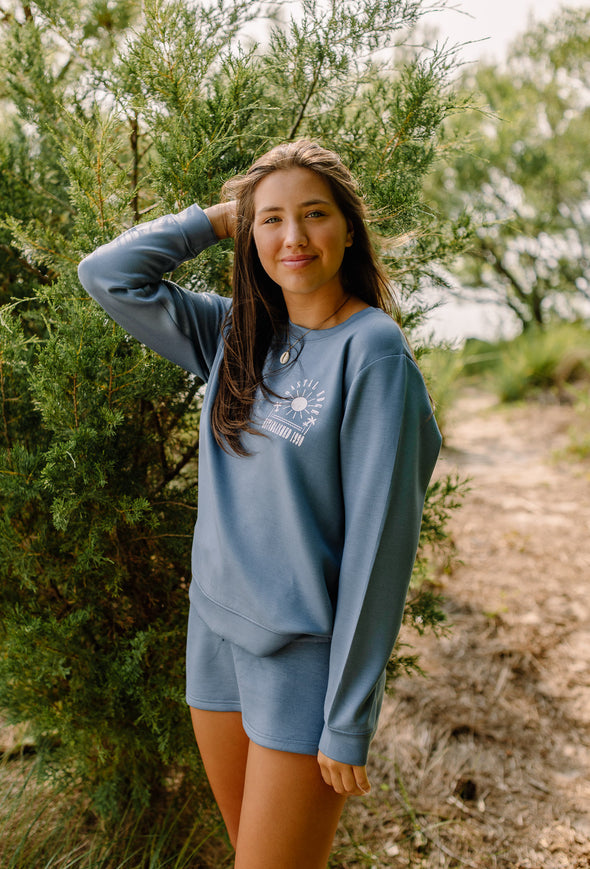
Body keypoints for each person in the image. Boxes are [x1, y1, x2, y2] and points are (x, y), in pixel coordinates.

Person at [78, 140, 441, 869]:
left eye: (314, 214)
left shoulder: (373, 352)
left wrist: (347, 716)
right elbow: (107, 274)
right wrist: (221, 217)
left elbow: (380, 550)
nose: (293, 237)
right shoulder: (235, 333)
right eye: (272, 220)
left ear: (349, 228)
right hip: (214, 639)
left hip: (301, 663)